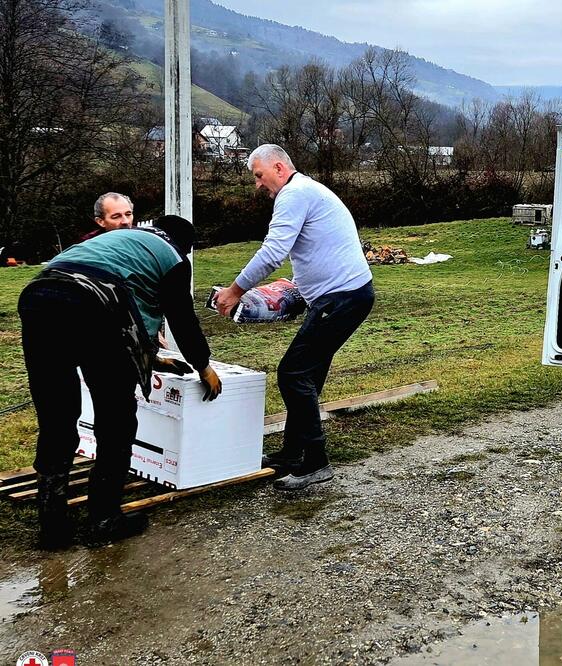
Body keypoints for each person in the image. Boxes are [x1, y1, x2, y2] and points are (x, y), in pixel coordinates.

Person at [18, 216, 222, 549]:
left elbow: (128, 299)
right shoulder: (172, 256)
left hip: (39, 297)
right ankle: (104, 519)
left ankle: (52, 527)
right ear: (184, 245)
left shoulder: (115, 240)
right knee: (116, 420)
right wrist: (203, 365)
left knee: (57, 418)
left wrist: (150, 356)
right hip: (94, 304)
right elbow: (181, 319)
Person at [214, 145, 374, 491]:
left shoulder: (293, 194)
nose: (258, 184)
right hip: (345, 296)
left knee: (293, 373)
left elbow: (273, 252)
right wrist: (289, 291)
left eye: (259, 176)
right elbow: (316, 251)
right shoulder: (307, 191)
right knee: (307, 375)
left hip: (342, 297)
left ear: (278, 167)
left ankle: (316, 463)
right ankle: (292, 454)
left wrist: (235, 291)